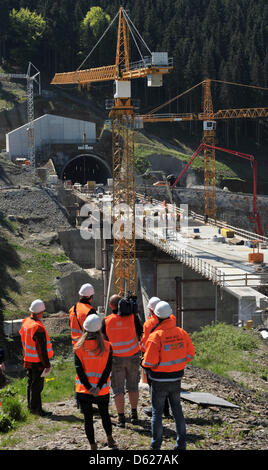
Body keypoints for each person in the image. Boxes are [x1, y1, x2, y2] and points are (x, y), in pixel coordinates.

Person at [142, 301, 195, 450]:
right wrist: (177, 364)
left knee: (157, 413)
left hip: (159, 380)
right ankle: (181, 444)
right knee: (177, 409)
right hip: (176, 378)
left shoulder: (156, 336)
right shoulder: (181, 332)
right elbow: (190, 354)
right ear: (170, 315)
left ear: (156, 317)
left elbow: (149, 363)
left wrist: (143, 362)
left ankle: (156, 446)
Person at [74, 314, 116, 450]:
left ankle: (93, 446)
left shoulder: (78, 347)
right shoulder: (107, 346)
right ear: (100, 329)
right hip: (101, 390)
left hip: (83, 390)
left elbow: (79, 370)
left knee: (88, 419)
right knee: (105, 415)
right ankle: (109, 438)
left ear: (85, 329)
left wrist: (88, 388)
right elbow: (107, 370)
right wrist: (97, 387)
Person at [102, 294, 143, 428]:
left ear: (110, 306)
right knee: (133, 386)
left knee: (118, 389)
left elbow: (103, 341)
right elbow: (140, 333)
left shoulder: (107, 320)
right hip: (133, 357)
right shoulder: (133, 317)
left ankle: (121, 419)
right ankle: (134, 415)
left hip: (116, 359)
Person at [140, 297, 175, 419]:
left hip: (153, 358)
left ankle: (156, 409)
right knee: (169, 385)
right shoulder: (172, 319)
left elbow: (145, 344)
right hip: (169, 356)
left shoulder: (148, 324)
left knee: (154, 386)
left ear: (151, 310)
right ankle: (167, 410)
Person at [19, 299, 53, 417]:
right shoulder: (37, 327)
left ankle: (31, 406)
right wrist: (47, 365)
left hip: (28, 359)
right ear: (39, 312)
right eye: (42, 312)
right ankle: (37, 410)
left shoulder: (26, 322)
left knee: (30, 384)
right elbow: (42, 350)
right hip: (37, 362)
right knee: (37, 387)